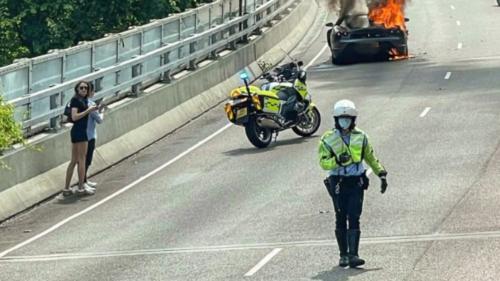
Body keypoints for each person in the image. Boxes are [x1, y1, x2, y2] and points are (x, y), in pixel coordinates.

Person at [318, 99, 388, 268]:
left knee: (354, 215)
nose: (345, 121)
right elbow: (323, 162)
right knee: (341, 216)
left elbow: (370, 157)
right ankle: (343, 255)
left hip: (356, 181)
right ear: (335, 119)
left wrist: (381, 173)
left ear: (353, 119)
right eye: (342, 118)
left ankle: (353, 254)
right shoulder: (327, 139)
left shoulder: (361, 137)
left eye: (348, 118)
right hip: (338, 183)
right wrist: (336, 161)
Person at [62, 81, 97, 196]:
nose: (84, 90)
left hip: (80, 131)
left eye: (86, 88)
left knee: (75, 160)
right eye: (81, 88)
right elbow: (74, 117)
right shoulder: (76, 100)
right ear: (77, 89)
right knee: (81, 160)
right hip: (80, 132)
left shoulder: (84, 100)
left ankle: (67, 188)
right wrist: (88, 110)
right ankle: (81, 187)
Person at [84, 83, 104, 190]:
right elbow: (99, 120)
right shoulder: (91, 104)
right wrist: (101, 111)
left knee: (84, 160)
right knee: (87, 160)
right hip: (90, 135)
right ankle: (83, 182)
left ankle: (84, 180)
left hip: (83, 135)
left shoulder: (81, 103)